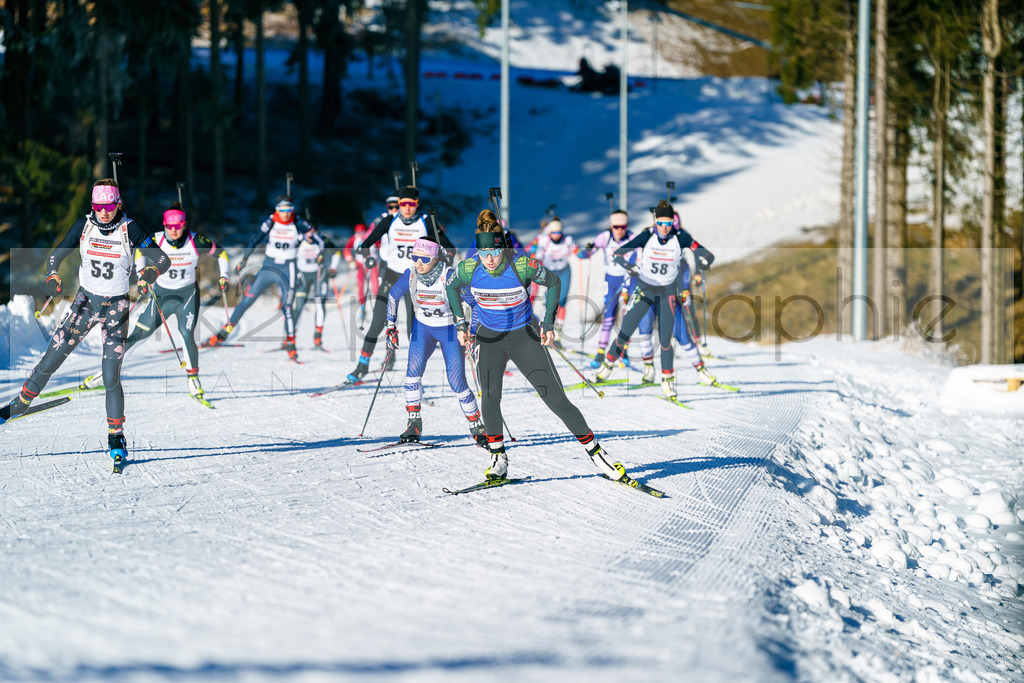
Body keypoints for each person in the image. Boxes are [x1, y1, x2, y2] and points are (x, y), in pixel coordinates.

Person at [444, 210, 632, 484]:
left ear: (502, 247)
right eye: (484, 253)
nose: (490, 260)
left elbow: (553, 282)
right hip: (489, 339)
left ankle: (597, 453)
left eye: (494, 253)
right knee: (490, 397)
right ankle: (498, 457)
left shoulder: (520, 264)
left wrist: (548, 324)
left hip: (524, 336)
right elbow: (451, 289)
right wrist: (461, 322)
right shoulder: (469, 267)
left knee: (555, 399)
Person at [0, 179, 171, 465]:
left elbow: (163, 259)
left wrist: (152, 271)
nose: (104, 212)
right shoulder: (84, 226)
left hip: (116, 307)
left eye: (109, 206)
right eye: (98, 206)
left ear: (118, 204)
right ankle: (19, 404)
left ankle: (116, 436)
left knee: (109, 376)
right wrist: (52, 276)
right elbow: (57, 254)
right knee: (50, 361)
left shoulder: (131, 229)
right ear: (93, 206)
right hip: (84, 304)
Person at [591, 200, 715, 399]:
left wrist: (706, 261)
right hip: (645, 290)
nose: (665, 228)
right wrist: (630, 268)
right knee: (625, 332)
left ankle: (667, 381)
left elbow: (705, 254)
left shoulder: (681, 237)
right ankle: (607, 367)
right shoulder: (647, 235)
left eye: (669, 223)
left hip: (667, 293)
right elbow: (619, 254)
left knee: (666, 339)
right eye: (661, 223)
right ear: (655, 221)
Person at [106, 202, 230, 399]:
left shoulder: (195, 240)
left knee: (186, 333)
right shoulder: (155, 239)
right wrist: (141, 276)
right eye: (169, 226)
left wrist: (224, 276)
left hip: (187, 296)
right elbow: (139, 251)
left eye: (178, 226)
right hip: (161, 296)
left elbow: (221, 253)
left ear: (184, 224)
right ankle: (107, 374)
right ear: (164, 225)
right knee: (140, 333)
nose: (174, 230)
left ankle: (193, 380)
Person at [346, 186, 455, 383]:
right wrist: (367, 259)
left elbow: (450, 248)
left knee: (413, 330)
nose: (406, 208)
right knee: (377, 323)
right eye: (402, 204)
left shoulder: (426, 222)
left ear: (417, 204)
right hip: (391, 277)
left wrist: (441, 261)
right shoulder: (389, 221)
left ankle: (414, 373)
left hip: (416, 281)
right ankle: (362, 366)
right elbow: (364, 246)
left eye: (410, 204)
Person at [384, 237, 485, 445]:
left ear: (436, 258)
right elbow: (393, 296)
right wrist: (391, 326)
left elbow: (474, 305)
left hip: (449, 330)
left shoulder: (449, 276)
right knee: (413, 372)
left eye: (424, 258)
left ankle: (477, 425)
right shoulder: (411, 274)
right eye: (415, 257)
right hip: (423, 328)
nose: (418, 263)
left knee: (457, 381)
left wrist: (472, 332)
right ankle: (413, 423)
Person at [206, 196, 312, 361]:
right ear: (277, 210)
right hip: (268, 269)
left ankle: (291, 345)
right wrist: (244, 259)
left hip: (288, 270)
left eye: (289, 209)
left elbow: (312, 232)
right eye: (282, 210)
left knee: (288, 308)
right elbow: (255, 239)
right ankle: (222, 335)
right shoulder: (271, 221)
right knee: (246, 301)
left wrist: (307, 235)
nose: (285, 214)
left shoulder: (297, 222)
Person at [577, 209, 639, 368]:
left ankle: (623, 351)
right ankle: (600, 352)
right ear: (611, 226)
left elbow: (639, 255)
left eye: (623, 227)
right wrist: (587, 250)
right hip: (611, 280)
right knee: (609, 317)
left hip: (628, 280)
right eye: (616, 227)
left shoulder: (632, 237)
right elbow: (586, 254)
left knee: (627, 317)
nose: (620, 230)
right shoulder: (605, 237)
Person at [292, 221, 342, 350]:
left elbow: (337, 252)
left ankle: (317, 339)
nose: (311, 234)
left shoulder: (323, 239)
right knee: (298, 306)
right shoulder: (298, 240)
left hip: (320, 275)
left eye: (313, 231)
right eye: (308, 231)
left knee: (320, 303)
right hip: (303, 276)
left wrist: (333, 268)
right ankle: (290, 340)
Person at [526, 216, 577, 341]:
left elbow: (577, 251)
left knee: (562, 301)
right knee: (551, 301)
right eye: (553, 233)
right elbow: (531, 252)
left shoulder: (568, 240)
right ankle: (547, 329)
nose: (556, 235)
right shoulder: (543, 241)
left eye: (559, 232)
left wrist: (585, 252)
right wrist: (533, 251)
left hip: (564, 271)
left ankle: (558, 335)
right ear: (549, 233)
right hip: (550, 273)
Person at [342, 223, 380, 324]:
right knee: (360, 287)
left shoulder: (372, 236)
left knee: (375, 288)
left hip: (372, 264)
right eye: (358, 233)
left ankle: (379, 311)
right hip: (359, 264)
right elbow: (346, 249)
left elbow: (381, 245)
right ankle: (363, 309)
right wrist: (350, 261)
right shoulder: (354, 238)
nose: (360, 235)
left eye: (362, 232)